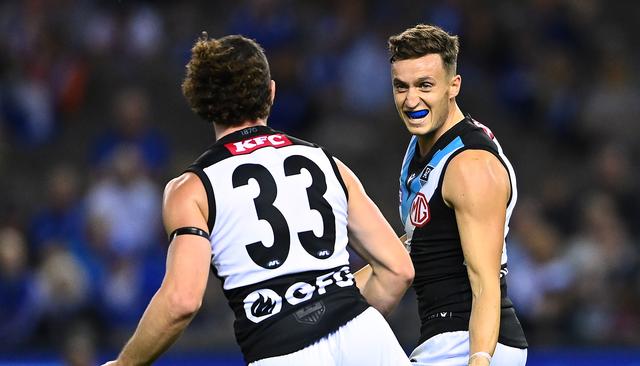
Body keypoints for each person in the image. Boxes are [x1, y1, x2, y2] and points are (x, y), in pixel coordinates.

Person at [101, 33, 414, 366]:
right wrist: (337, 316)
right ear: (271, 92)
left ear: (202, 102)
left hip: (280, 351)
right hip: (365, 337)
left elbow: (181, 301)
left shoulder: (191, 189)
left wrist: (123, 364)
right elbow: (398, 270)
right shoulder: (328, 164)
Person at [389, 24, 528, 365]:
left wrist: (479, 358)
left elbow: (485, 282)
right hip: (442, 339)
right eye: (400, 87)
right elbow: (415, 246)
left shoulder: (470, 165)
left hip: (469, 342)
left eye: (424, 86)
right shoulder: (421, 148)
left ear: (454, 86)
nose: (411, 100)